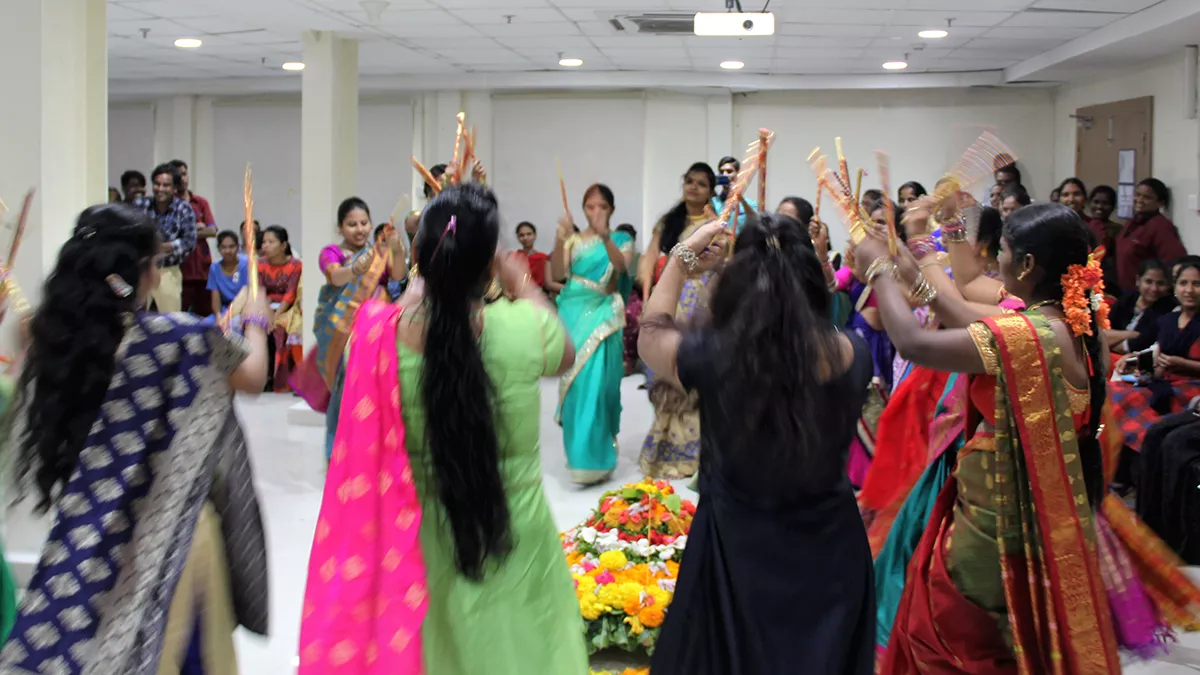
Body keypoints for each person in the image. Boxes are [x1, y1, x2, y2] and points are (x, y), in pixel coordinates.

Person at [298, 182, 588, 674]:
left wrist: (413, 290)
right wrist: (522, 283)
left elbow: (333, 368)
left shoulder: (374, 337)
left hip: (411, 549)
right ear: (489, 264)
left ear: (416, 253)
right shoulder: (524, 328)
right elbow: (564, 353)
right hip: (510, 529)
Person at [0, 204, 269, 672]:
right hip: (175, 546)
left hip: (92, 547)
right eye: (157, 262)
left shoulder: (56, 345)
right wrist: (257, 322)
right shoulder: (180, 337)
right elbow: (252, 375)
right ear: (140, 273)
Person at [860, 202, 1125, 673]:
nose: (995, 260)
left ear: (1026, 265)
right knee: (1007, 638)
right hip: (1033, 513)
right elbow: (960, 307)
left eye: (1002, 250)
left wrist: (879, 272)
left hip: (997, 521)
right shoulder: (1079, 328)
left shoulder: (1031, 336)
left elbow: (915, 344)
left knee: (957, 637)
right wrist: (918, 249)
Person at [642, 215, 874, 675]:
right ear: (812, 279)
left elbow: (651, 334)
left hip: (735, 555)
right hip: (831, 555)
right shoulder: (853, 354)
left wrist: (682, 259)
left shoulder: (711, 356)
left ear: (735, 282)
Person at [551, 184, 634, 485]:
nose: (596, 212)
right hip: (571, 313)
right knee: (572, 384)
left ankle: (598, 457)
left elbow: (622, 266)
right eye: (590, 207)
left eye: (602, 207)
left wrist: (604, 237)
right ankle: (579, 459)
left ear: (611, 209)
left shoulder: (622, 239)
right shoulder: (573, 239)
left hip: (602, 313)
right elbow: (559, 273)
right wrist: (559, 239)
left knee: (597, 384)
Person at [638, 162, 717, 479]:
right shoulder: (668, 223)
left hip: (701, 304)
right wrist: (647, 302)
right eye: (689, 181)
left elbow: (723, 263)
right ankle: (664, 448)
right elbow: (648, 262)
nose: (693, 188)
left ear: (711, 191)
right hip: (670, 297)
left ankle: (695, 450)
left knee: (692, 370)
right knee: (664, 371)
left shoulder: (715, 223)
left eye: (701, 184)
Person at [1112, 259, 1200, 452]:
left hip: (1192, 388)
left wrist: (1182, 364)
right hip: (1164, 382)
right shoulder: (1168, 320)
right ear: (1175, 287)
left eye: (1197, 284)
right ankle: (1123, 465)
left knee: (1150, 418)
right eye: (1183, 283)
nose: (1189, 290)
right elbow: (1156, 353)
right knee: (1115, 392)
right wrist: (1133, 360)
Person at [132, 163, 196, 313]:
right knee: (135, 319)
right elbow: (130, 235)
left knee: (170, 320)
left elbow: (189, 242)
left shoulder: (184, 209)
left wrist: (158, 247)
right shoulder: (140, 205)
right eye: (157, 184)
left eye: (166, 185)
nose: (160, 189)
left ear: (174, 188)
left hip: (169, 271)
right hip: (141, 270)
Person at [1116, 177, 1188, 293]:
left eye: (1147, 197)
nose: (1140, 200)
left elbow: (1174, 262)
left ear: (1160, 202)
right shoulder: (1133, 222)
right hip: (1125, 291)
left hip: (1145, 293)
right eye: (1138, 195)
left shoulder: (1160, 226)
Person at [170, 159, 218, 317]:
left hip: (203, 270)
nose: (182, 178)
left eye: (184, 174)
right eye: (177, 175)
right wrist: (196, 226)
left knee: (205, 316)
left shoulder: (200, 202)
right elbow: (170, 233)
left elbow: (212, 230)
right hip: (181, 270)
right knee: (180, 315)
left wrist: (186, 231)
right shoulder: (170, 204)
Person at [257, 225, 303, 392]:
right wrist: (268, 315)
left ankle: (279, 379)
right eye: (264, 242)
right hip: (264, 306)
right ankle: (260, 376)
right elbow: (259, 291)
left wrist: (275, 317)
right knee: (254, 325)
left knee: (281, 328)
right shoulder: (259, 265)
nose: (265, 246)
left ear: (283, 245)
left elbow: (290, 295)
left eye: (271, 242)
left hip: (287, 308)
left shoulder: (296, 266)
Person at [1107, 259, 1175, 354]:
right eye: (1148, 282)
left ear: (1168, 285)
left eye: (1160, 283)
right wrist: (1131, 334)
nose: (1154, 288)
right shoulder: (1127, 299)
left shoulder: (1168, 308)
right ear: (1138, 281)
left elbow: (1138, 345)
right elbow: (1103, 332)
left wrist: (1109, 341)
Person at [617, 223, 643, 375]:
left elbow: (639, 282)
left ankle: (629, 360)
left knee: (631, 314)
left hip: (631, 295)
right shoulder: (609, 254)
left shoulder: (638, 257)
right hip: (610, 294)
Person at [1087, 184, 1122, 294]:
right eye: (1096, 202)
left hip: (1108, 282)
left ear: (1112, 206)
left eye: (1105, 203)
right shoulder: (1082, 226)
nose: (1100, 207)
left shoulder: (1118, 230)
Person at [207, 230, 249, 313]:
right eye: (223, 247)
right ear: (218, 248)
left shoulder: (247, 264)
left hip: (244, 310)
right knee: (205, 324)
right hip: (225, 310)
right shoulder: (214, 268)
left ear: (238, 247)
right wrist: (218, 317)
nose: (227, 251)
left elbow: (248, 294)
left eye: (231, 247)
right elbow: (216, 299)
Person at [712, 156, 757, 233]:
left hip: (741, 244)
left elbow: (757, 222)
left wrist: (740, 199)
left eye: (729, 171)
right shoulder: (712, 202)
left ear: (738, 174)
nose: (725, 174)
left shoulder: (750, 204)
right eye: (721, 172)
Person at [513, 221, 548, 289]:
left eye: (529, 234)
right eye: (521, 235)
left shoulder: (543, 258)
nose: (525, 238)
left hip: (539, 293)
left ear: (535, 236)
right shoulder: (514, 257)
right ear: (518, 237)